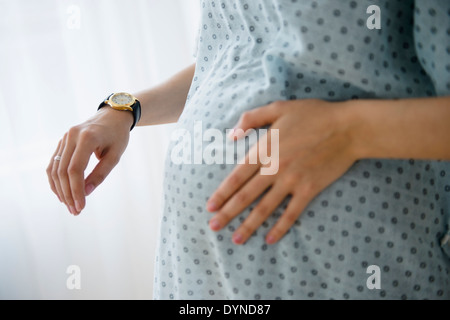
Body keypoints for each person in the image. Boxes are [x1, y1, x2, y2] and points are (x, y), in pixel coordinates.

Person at [47, 0, 450, 299]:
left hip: (348, 265)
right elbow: (233, 59)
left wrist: (347, 130)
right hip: (197, 272)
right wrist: (124, 109)